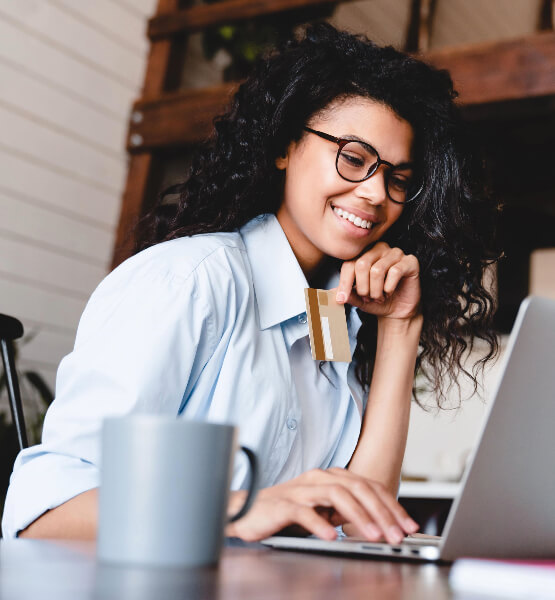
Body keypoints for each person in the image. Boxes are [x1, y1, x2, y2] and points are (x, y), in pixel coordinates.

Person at [2, 23, 498, 543]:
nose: (376, 193)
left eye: (398, 179)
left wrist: (401, 328)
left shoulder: (332, 315)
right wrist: (240, 509)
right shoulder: (190, 281)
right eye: (354, 158)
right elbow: (42, 515)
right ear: (285, 147)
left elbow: (361, 526)